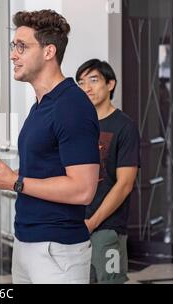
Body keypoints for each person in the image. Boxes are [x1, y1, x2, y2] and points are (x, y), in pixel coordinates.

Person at [0, 9, 100, 284]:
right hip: (27, 242)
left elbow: (84, 189)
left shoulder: (71, 106)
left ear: (49, 51)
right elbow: (44, 171)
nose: (13, 54)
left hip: (57, 251)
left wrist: (14, 182)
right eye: (14, 46)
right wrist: (1, 178)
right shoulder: (42, 105)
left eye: (21, 46)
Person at [76, 59, 140, 284]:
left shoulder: (124, 127)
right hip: (75, 227)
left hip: (107, 229)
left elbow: (124, 185)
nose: (87, 88)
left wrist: (92, 222)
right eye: (81, 83)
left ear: (110, 84)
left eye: (93, 80)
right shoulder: (79, 125)